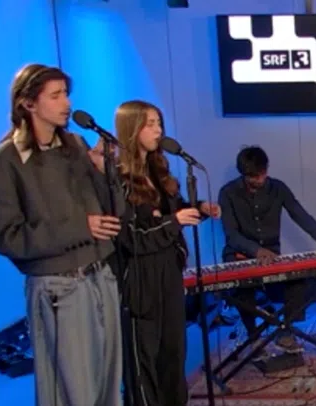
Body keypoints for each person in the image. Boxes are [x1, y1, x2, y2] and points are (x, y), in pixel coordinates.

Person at [0, 64, 124, 406]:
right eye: (55, 96)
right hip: (60, 289)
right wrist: (80, 227)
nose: (66, 103)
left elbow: (115, 213)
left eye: (66, 94)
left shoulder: (75, 145)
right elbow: (8, 238)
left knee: (109, 386)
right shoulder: (1, 166)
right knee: (75, 392)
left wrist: (105, 173)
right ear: (28, 103)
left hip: (101, 277)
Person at [114, 100, 221, 406]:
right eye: (150, 124)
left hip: (169, 269)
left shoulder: (159, 171)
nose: (158, 130)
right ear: (132, 129)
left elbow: (175, 212)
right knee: (144, 357)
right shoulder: (119, 179)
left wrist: (199, 208)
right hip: (140, 275)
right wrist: (173, 222)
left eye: (159, 123)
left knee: (173, 351)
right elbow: (130, 237)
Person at [218, 146, 316, 353]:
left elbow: (300, 215)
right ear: (244, 174)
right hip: (240, 254)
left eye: (263, 173)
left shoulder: (278, 188)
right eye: (254, 177)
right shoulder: (228, 193)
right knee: (243, 290)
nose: (261, 180)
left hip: (272, 255)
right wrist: (256, 251)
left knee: (297, 281)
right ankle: (252, 335)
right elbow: (231, 234)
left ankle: (286, 331)